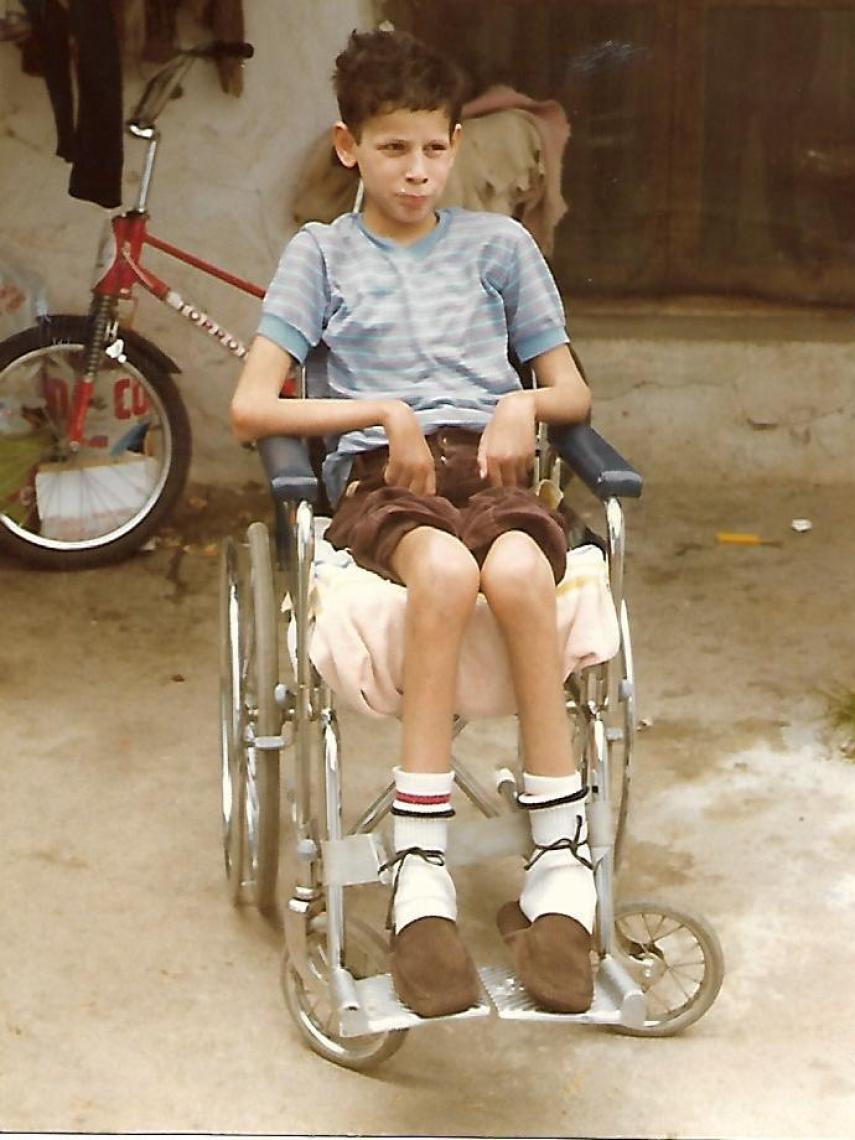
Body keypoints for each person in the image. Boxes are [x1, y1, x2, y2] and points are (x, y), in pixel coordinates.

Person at [230, 27, 596, 1019]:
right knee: (441, 574)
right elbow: (253, 406)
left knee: (521, 575)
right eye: (394, 149)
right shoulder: (322, 255)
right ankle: (421, 869)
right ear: (349, 146)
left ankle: (565, 866)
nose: (418, 170)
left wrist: (523, 405)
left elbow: (571, 389)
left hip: (494, 463)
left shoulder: (499, 247)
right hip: (383, 480)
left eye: (434, 147)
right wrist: (376, 412)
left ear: (456, 143)